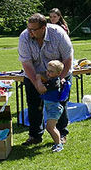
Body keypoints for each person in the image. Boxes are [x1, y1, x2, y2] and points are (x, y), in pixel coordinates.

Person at [18, 12, 74, 145]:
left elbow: (68, 58)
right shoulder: (24, 37)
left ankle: (61, 134)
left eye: (33, 29)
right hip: (35, 73)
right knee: (34, 105)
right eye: (28, 28)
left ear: (43, 28)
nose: (29, 32)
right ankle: (35, 136)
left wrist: (59, 80)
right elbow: (26, 63)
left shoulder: (58, 34)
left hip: (59, 72)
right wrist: (37, 83)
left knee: (60, 103)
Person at [41, 60, 67, 153]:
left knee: (50, 127)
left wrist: (37, 79)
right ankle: (57, 143)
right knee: (50, 127)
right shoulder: (52, 80)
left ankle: (59, 144)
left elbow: (43, 89)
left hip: (54, 108)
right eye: (47, 70)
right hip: (50, 107)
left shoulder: (55, 82)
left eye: (51, 71)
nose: (48, 73)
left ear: (58, 73)